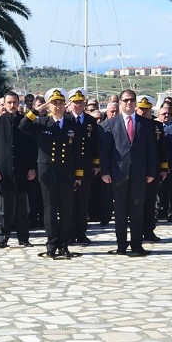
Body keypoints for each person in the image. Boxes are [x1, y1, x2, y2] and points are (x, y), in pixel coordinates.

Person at [20, 88, 83, 258]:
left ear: (65, 105)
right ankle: (51, 243)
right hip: (47, 172)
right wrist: (37, 110)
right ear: (49, 106)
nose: (57, 106)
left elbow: (77, 151)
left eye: (61, 103)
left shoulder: (72, 124)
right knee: (49, 209)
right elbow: (23, 126)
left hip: (66, 172)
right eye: (54, 103)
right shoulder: (42, 123)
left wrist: (78, 175)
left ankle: (64, 244)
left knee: (66, 210)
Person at [101, 89, 156, 256]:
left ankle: (137, 244)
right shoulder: (111, 123)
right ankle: (121, 245)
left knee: (137, 210)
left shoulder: (145, 123)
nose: (129, 103)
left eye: (132, 100)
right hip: (118, 174)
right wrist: (105, 171)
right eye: (125, 100)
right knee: (120, 211)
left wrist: (151, 171)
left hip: (139, 174)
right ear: (120, 102)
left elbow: (151, 150)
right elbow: (105, 151)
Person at [0, 91, 37, 249]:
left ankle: (23, 237)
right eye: (9, 102)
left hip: (23, 171)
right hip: (3, 171)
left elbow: (32, 147)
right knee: (4, 210)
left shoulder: (24, 121)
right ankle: (2, 238)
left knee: (23, 208)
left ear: (19, 103)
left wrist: (32, 167)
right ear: (4, 104)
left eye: (15, 102)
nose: (12, 105)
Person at [66, 88, 100, 245]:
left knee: (82, 201)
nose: (78, 105)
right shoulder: (65, 119)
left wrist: (96, 163)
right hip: (68, 165)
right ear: (70, 103)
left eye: (80, 102)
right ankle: (69, 232)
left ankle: (81, 232)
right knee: (69, 202)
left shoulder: (90, 121)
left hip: (85, 166)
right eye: (75, 102)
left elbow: (95, 144)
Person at [135, 95, 168, 243]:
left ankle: (149, 230)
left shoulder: (157, 126)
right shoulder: (132, 124)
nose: (143, 112)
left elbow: (162, 149)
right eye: (141, 109)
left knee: (150, 202)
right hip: (135, 170)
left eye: (146, 109)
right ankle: (136, 230)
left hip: (153, 170)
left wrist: (163, 168)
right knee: (136, 202)